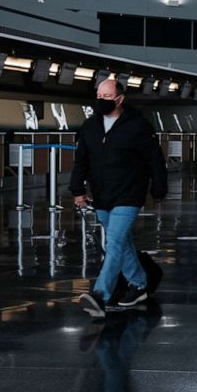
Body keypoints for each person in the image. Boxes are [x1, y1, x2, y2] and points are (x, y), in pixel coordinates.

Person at [72, 79, 168, 317]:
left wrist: (158, 189)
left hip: (129, 194)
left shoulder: (137, 126)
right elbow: (82, 160)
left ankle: (99, 295)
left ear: (120, 99)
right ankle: (139, 282)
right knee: (121, 243)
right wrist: (77, 190)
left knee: (113, 242)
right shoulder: (90, 126)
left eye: (106, 96)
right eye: (99, 95)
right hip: (102, 196)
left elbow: (155, 159)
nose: (101, 100)